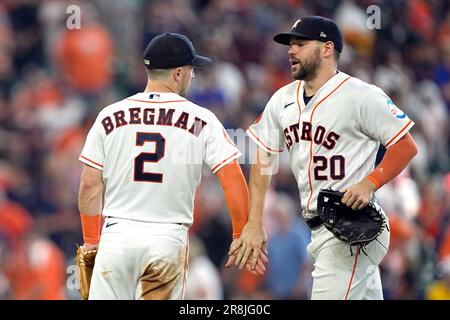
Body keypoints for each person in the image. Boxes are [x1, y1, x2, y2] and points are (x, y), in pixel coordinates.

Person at [77, 32, 266, 300]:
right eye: (191, 70)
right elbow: (232, 178)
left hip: (116, 237)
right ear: (178, 73)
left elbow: (89, 184)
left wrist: (91, 241)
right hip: (165, 239)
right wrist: (240, 234)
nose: (193, 76)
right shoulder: (202, 119)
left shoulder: (109, 115)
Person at [244, 16, 418, 300]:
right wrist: (254, 221)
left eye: (300, 43)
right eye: (290, 44)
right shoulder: (282, 99)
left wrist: (371, 182)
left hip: (351, 230)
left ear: (327, 49)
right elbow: (264, 154)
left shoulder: (361, 96)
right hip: (319, 230)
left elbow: (405, 145)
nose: (291, 50)